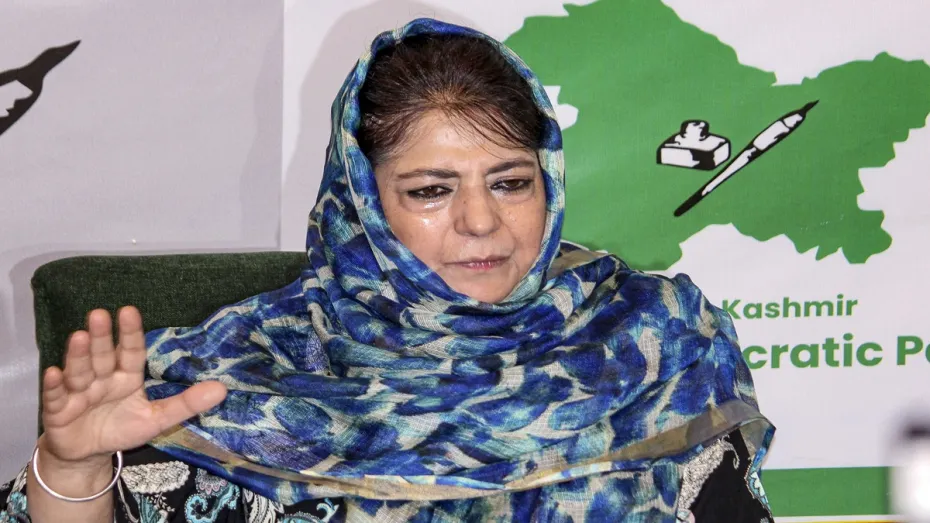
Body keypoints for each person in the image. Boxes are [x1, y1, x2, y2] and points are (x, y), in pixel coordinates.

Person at [1, 18, 775, 522]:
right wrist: (74, 468)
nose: (481, 221)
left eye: (511, 182)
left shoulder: (651, 342)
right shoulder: (231, 385)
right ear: (361, 205)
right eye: (431, 190)